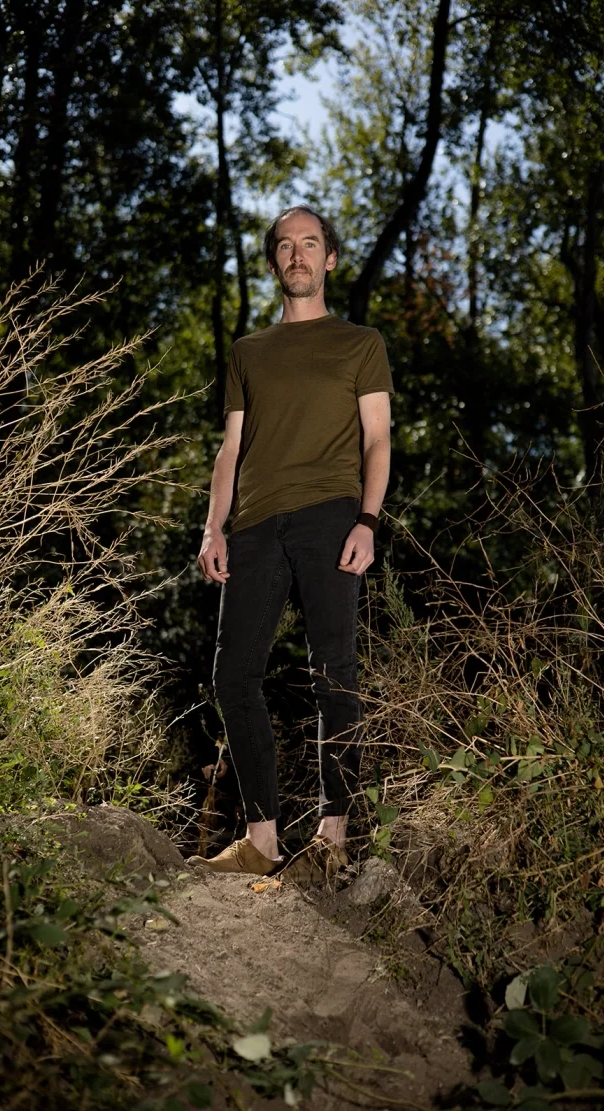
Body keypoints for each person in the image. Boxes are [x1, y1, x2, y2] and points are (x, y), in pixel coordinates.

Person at [196, 204, 393, 884]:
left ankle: (334, 834)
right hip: (252, 525)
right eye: (286, 245)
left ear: (330, 259)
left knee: (332, 672)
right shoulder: (248, 352)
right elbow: (230, 447)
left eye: (311, 243)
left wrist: (368, 519)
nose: (298, 254)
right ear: (274, 260)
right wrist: (213, 525)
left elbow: (377, 437)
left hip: (330, 517)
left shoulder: (359, 343)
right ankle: (260, 838)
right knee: (232, 675)